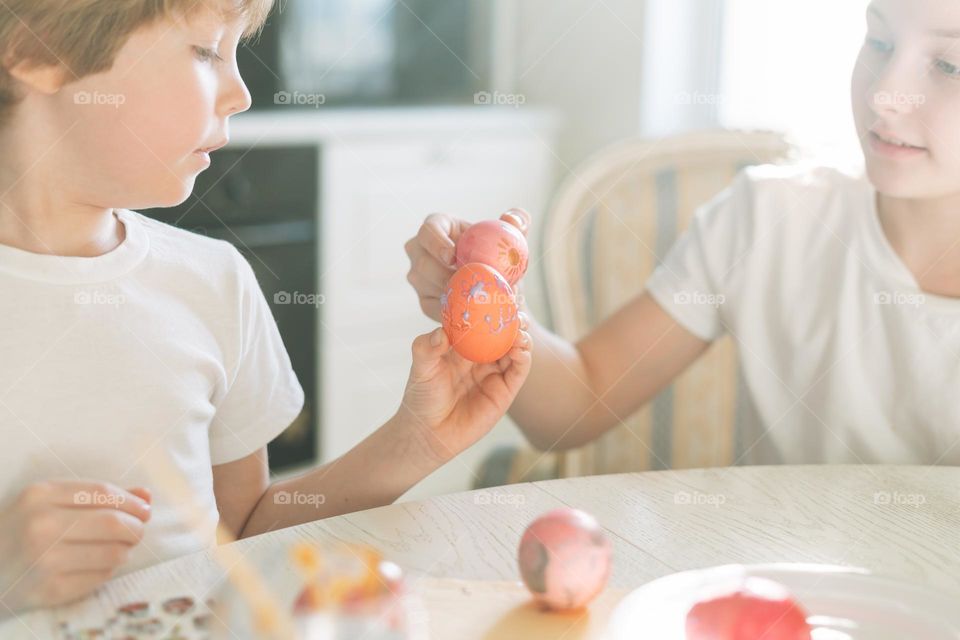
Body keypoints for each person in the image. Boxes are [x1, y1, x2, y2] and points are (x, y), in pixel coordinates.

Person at [0, 0, 531, 611]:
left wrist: (417, 441)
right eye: (205, 51)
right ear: (38, 49)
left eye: (236, 54)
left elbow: (244, 535)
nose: (241, 93)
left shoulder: (215, 282)